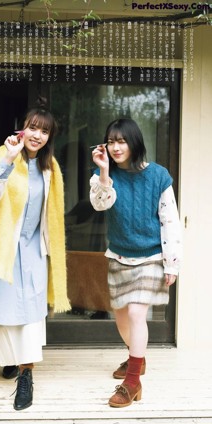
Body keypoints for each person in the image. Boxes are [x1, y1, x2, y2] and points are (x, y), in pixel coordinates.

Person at [0, 97, 70, 411]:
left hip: (32, 250)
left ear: (49, 138)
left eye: (44, 131)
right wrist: (8, 158)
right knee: (2, 310)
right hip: (3, 249)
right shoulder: (1, 156)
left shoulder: (50, 168)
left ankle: (26, 375)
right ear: (22, 129)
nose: (37, 135)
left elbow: (50, 213)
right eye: (33, 127)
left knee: (30, 313)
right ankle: (9, 359)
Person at [90, 118, 182, 408]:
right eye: (111, 141)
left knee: (136, 315)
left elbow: (170, 221)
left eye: (122, 141)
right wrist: (104, 172)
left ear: (134, 142)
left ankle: (131, 381)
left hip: (151, 256)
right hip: (119, 255)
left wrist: (172, 264)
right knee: (121, 318)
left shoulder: (158, 176)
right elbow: (100, 204)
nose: (116, 147)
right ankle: (136, 358)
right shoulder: (103, 175)